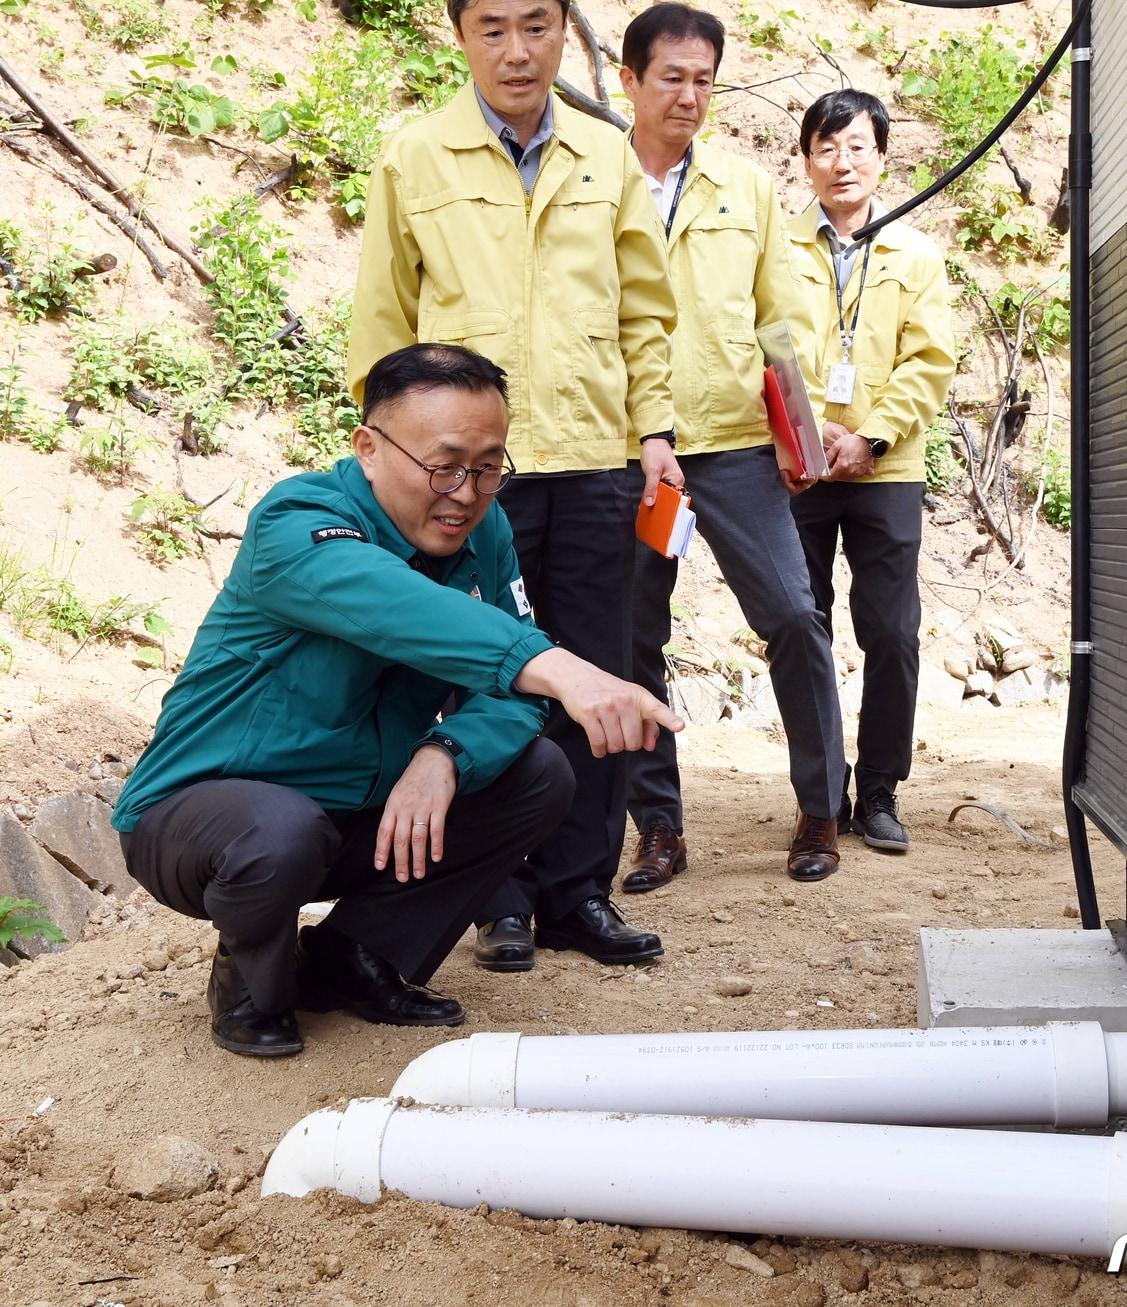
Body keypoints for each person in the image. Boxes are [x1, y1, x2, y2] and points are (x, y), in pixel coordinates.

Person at [112, 344, 683, 1058]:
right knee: (280, 831)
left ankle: (355, 955)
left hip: (356, 811)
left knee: (538, 773)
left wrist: (446, 752)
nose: (466, 492)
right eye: (444, 466)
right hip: (206, 819)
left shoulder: (486, 532)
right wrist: (553, 664)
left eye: (487, 468)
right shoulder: (296, 521)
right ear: (370, 447)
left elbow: (507, 698)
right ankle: (252, 974)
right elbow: (397, 607)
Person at [349, 0, 683, 973]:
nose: (516, 50)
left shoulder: (606, 155)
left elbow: (646, 312)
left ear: (561, 29)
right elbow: (381, 316)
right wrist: (386, 456)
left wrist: (652, 432)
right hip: (460, 468)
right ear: (458, 36)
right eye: (491, 27)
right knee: (473, 674)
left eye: (535, 25)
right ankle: (497, 892)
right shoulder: (416, 157)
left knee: (592, 673)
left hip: (587, 455)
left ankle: (579, 890)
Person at [616, 3, 848, 887]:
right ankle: (658, 827)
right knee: (632, 634)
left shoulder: (744, 187)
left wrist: (799, 431)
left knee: (794, 612)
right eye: (670, 77)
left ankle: (822, 808)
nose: (688, 95)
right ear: (629, 80)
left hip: (733, 443)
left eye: (704, 79)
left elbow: (780, 318)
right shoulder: (594, 180)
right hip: (632, 449)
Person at [787, 89, 957, 852]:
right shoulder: (776, 246)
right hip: (798, 469)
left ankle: (880, 790)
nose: (842, 161)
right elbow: (757, 342)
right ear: (807, 160)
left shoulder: (915, 253)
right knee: (801, 629)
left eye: (857, 146)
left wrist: (872, 437)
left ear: (882, 157)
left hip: (886, 471)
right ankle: (820, 796)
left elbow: (930, 362)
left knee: (891, 632)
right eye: (827, 147)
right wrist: (806, 429)